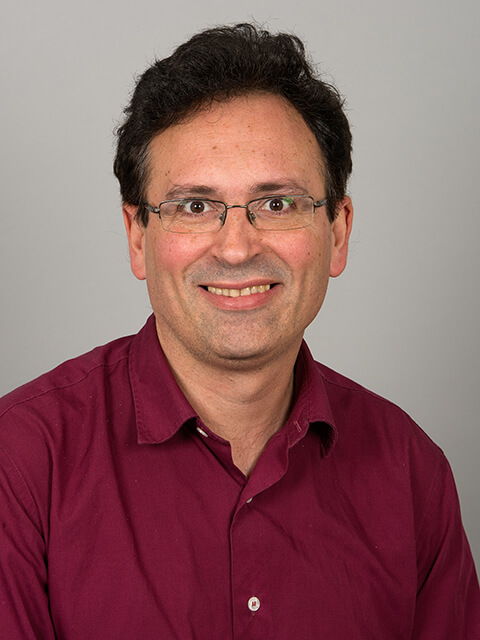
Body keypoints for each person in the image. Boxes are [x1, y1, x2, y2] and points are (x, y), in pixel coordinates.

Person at [0, 23, 479, 640]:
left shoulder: (413, 475)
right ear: (137, 236)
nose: (235, 247)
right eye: (194, 206)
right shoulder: (20, 463)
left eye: (277, 203)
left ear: (337, 229)